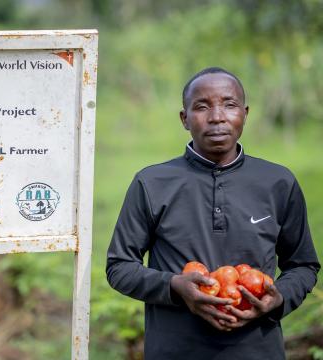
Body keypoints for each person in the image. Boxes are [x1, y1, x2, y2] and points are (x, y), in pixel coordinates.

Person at [106, 67, 320, 359]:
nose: (217, 116)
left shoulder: (278, 183)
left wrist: (279, 299)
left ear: (244, 113)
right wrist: (173, 286)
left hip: (258, 350)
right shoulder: (152, 183)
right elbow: (119, 266)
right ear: (184, 118)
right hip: (175, 351)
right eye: (202, 106)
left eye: (229, 105)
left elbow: (303, 265)